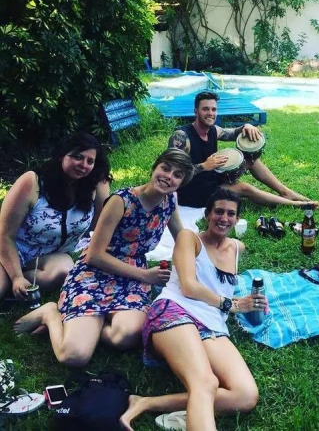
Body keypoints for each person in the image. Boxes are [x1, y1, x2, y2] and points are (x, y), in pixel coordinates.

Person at [14, 149, 194, 368]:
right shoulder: (121, 200)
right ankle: (51, 313)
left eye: (177, 175)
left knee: (125, 337)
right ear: (154, 167)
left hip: (131, 280)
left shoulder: (169, 201)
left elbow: (182, 239)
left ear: (182, 183)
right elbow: (94, 255)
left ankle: (85, 324)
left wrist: (199, 265)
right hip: (96, 273)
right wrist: (145, 276)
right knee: (74, 357)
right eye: (165, 168)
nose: (168, 176)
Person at [119, 189, 261, 431]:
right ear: (207, 214)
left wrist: (246, 302)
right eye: (218, 212)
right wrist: (231, 304)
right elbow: (189, 286)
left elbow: (218, 288)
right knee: (205, 382)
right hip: (175, 310)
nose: (224, 218)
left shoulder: (237, 248)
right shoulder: (189, 238)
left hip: (212, 324)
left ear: (237, 219)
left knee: (245, 396)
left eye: (231, 214)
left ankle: (146, 402)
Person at [0, 132, 112, 302]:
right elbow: (4, 234)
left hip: (48, 256)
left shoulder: (96, 184)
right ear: (62, 155)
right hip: (11, 251)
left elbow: (100, 228)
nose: (83, 165)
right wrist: (16, 276)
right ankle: (11, 280)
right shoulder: (32, 182)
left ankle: (14, 285)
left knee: (64, 272)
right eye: (78, 157)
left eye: (90, 161)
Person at [169, 91, 317, 209]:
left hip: (211, 179)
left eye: (213, 109)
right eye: (205, 109)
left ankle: (286, 192)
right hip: (192, 192)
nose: (210, 113)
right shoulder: (182, 136)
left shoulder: (213, 130)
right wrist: (204, 166)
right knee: (244, 188)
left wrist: (247, 126)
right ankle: (297, 205)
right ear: (196, 111)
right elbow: (172, 173)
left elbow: (233, 133)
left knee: (251, 159)